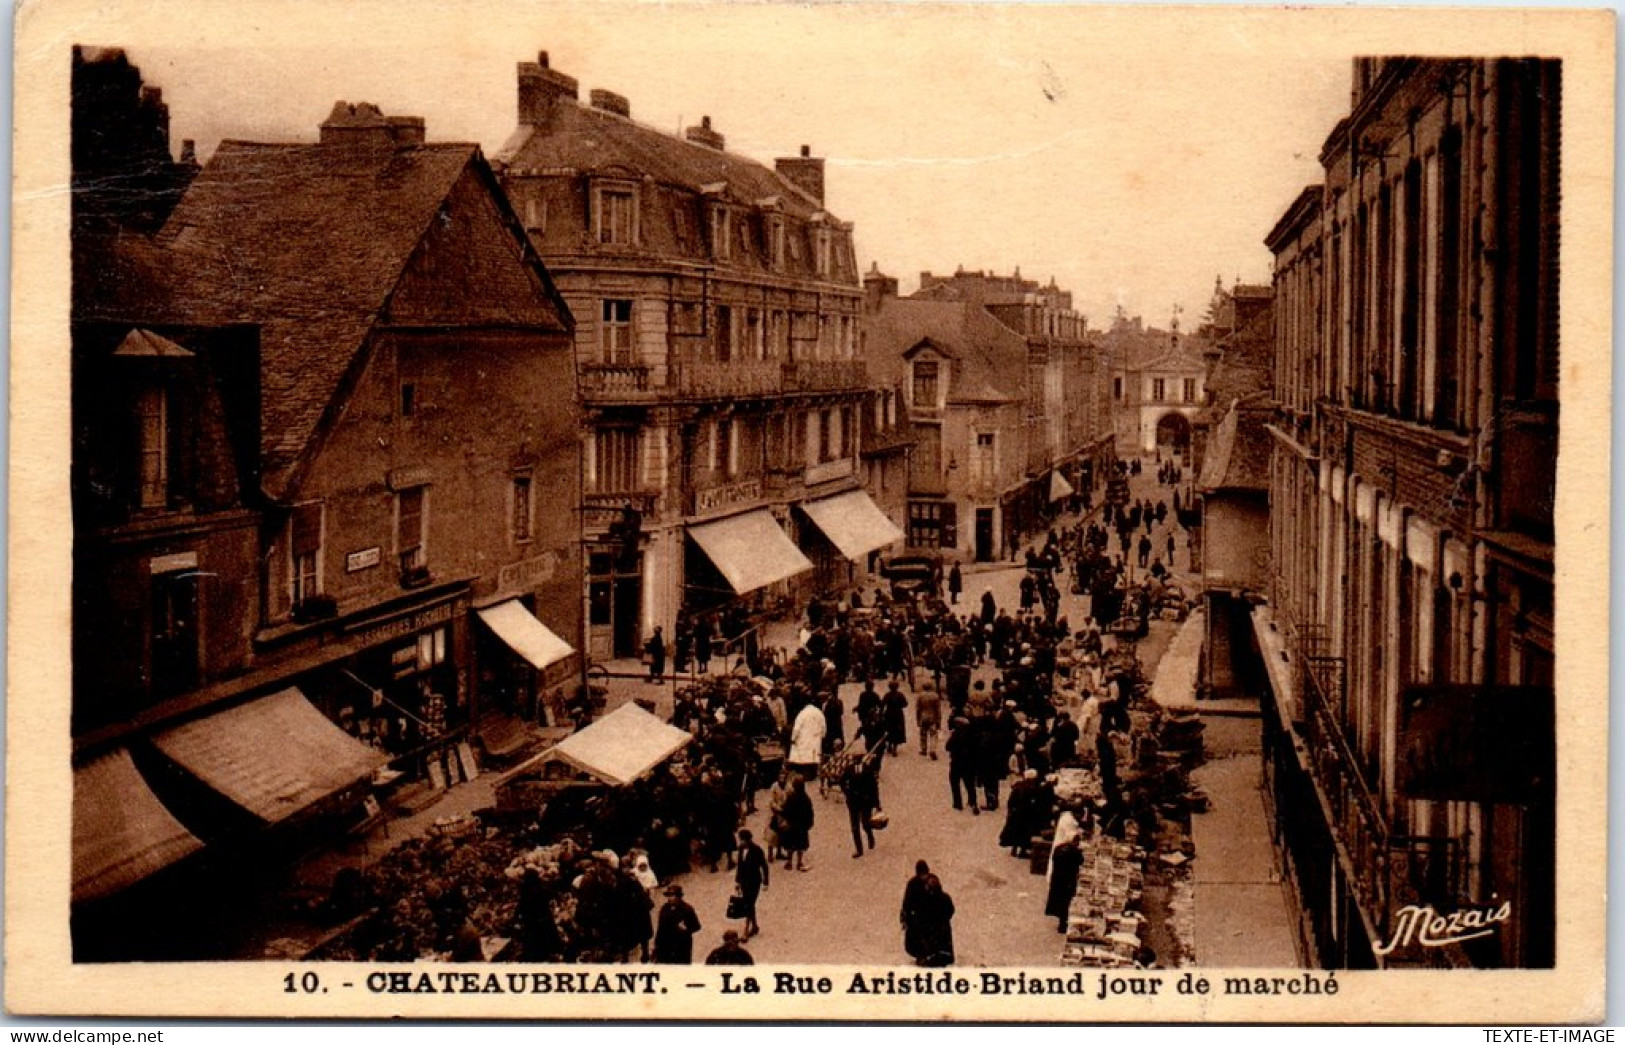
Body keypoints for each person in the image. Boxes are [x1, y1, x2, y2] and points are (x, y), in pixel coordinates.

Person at [842, 751, 882, 858]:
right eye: (854, 759)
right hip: (853, 802)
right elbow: (842, 781)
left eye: (857, 759)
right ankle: (859, 850)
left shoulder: (868, 770)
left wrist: (877, 804)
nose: (855, 761)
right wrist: (846, 792)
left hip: (865, 802)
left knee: (865, 823)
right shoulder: (849, 769)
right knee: (854, 827)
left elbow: (874, 788)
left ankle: (870, 836)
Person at [733, 828, 770, 940]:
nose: (740, 842)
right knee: (749, 904)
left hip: (754, 881)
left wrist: (765, 881)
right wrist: (737, 881)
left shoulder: (757, 850)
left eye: (742, 840)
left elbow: (764, 866)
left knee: (749, 904)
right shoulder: (740, 849)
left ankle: (746, 929)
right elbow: (740, 866)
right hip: (744, 881)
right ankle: (754, 926)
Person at [914, 874, 956, 966]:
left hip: (939, 926)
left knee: (939, 944)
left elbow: (950, 909)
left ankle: (939, 957)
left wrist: (943, 918)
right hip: (933, 927)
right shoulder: (926, 898)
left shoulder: (943, 897)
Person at [653, 885, 702, 964]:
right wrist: (656, 944)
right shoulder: (664, 908)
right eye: (668, 896)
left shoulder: (687, 909)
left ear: (679, 896)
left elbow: (697, 926)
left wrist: (686, 929)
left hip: (681, 945)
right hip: (666, 945)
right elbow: (660, 927)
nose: (670, 898)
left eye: (672, 895)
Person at [1046, 836, 1084, 934]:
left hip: (1058, 881)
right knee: (1066, 904)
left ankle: (1062, 924)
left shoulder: (1059, 848)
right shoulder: (1074, 852)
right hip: (1068, 882)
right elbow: (1080, 861)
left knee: (1060, 903)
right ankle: (1063, 926)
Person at [900, 860, 934, 962]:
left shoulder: (932, 880)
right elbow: (907, 902)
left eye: (925, 874)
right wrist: (905, 916)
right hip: (917, 917)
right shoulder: (912, 884)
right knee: (917, 938)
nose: (924, 876)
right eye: (922, 874)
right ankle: (920, 955)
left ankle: (929, 954)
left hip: (930, 915)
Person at [779, 777, 814, 871]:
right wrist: (809, 823)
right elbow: (810, 812)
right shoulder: (806, 798)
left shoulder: (791, 797)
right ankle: (799, 862)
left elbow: (786, 810)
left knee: (790, 844)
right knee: (800, 845)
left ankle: (789, 862)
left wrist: (786, 818)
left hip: (792, 824)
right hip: (802, 826)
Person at [787, 699, 826, 782]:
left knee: (804, 759)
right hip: (815, 739)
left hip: (803, 739)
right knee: (813, 758)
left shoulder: (802, 714)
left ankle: (805, 776)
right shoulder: (819, 713)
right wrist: (822, 736)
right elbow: (824, 726)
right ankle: (813, 775)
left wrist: (793, 738)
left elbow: (796, 728)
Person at [915, 679, 943, 760]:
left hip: (923, 717)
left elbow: (918, 709)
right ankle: (932, 749)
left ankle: (923, 749)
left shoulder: (920, 696)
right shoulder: (935, 696)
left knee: (923, 734)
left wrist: (918, 719)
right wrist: (939, 721)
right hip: (933, 717)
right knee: (933, 735)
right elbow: (938, 710)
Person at [882, 680, 909, 756]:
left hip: (889, 714)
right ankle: (895, 748)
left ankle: (889, 745)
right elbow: (905, 704)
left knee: (889, 729)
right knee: (898, 730)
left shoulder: (887, 695)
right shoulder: (900, 695)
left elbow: (883, 704)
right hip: (898, 714)